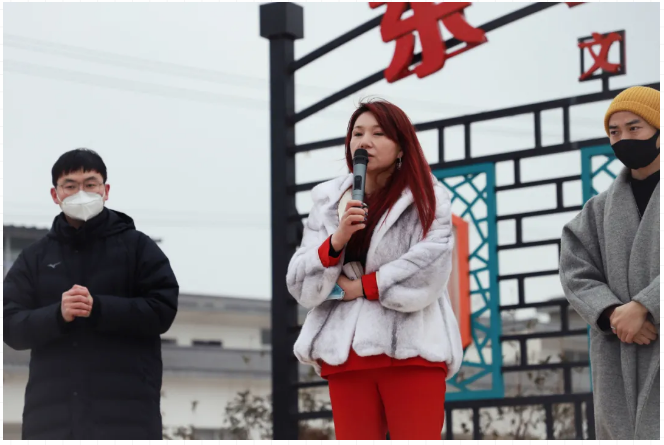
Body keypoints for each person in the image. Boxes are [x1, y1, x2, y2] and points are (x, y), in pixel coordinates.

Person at [286, 100, 463, 440]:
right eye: (358, 133)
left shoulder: (427, 198)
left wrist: (364, 286)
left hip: (411, 352)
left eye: (378, 133)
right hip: (345, 357)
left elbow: (429, 267)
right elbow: (300, 283)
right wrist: (337, 240)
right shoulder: (328, 203)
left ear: (401, 146)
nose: (364, 142)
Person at [3, 148, 179, 439]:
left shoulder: (138, 247)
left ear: (106, 190)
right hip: (51, 422)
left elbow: (163, 309)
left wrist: (99, 308)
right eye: (70, 186)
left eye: (90, 184)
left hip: (127, 419)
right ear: (55, 194)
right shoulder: (34, 257)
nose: (81, 193)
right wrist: (57, 315)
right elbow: (9, 325)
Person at [559, 86, 659, 439]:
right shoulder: (597, 210)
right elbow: (575, 270)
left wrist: (645, 306)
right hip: (618, 349)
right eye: (614, 132)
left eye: (635, 128)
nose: (623, 139)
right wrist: (613, 313)